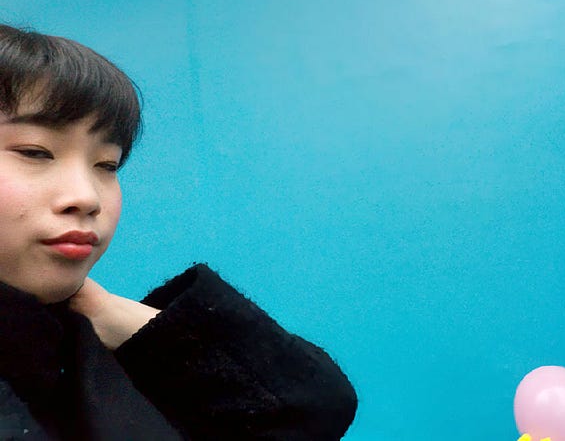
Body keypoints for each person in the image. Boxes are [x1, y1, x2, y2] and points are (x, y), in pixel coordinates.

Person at [0, 23, 357, 440]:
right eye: (35, 152)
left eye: (107, 165)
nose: (87, 197)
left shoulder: (75, 352)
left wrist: (107, 313)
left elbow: (310, 411)